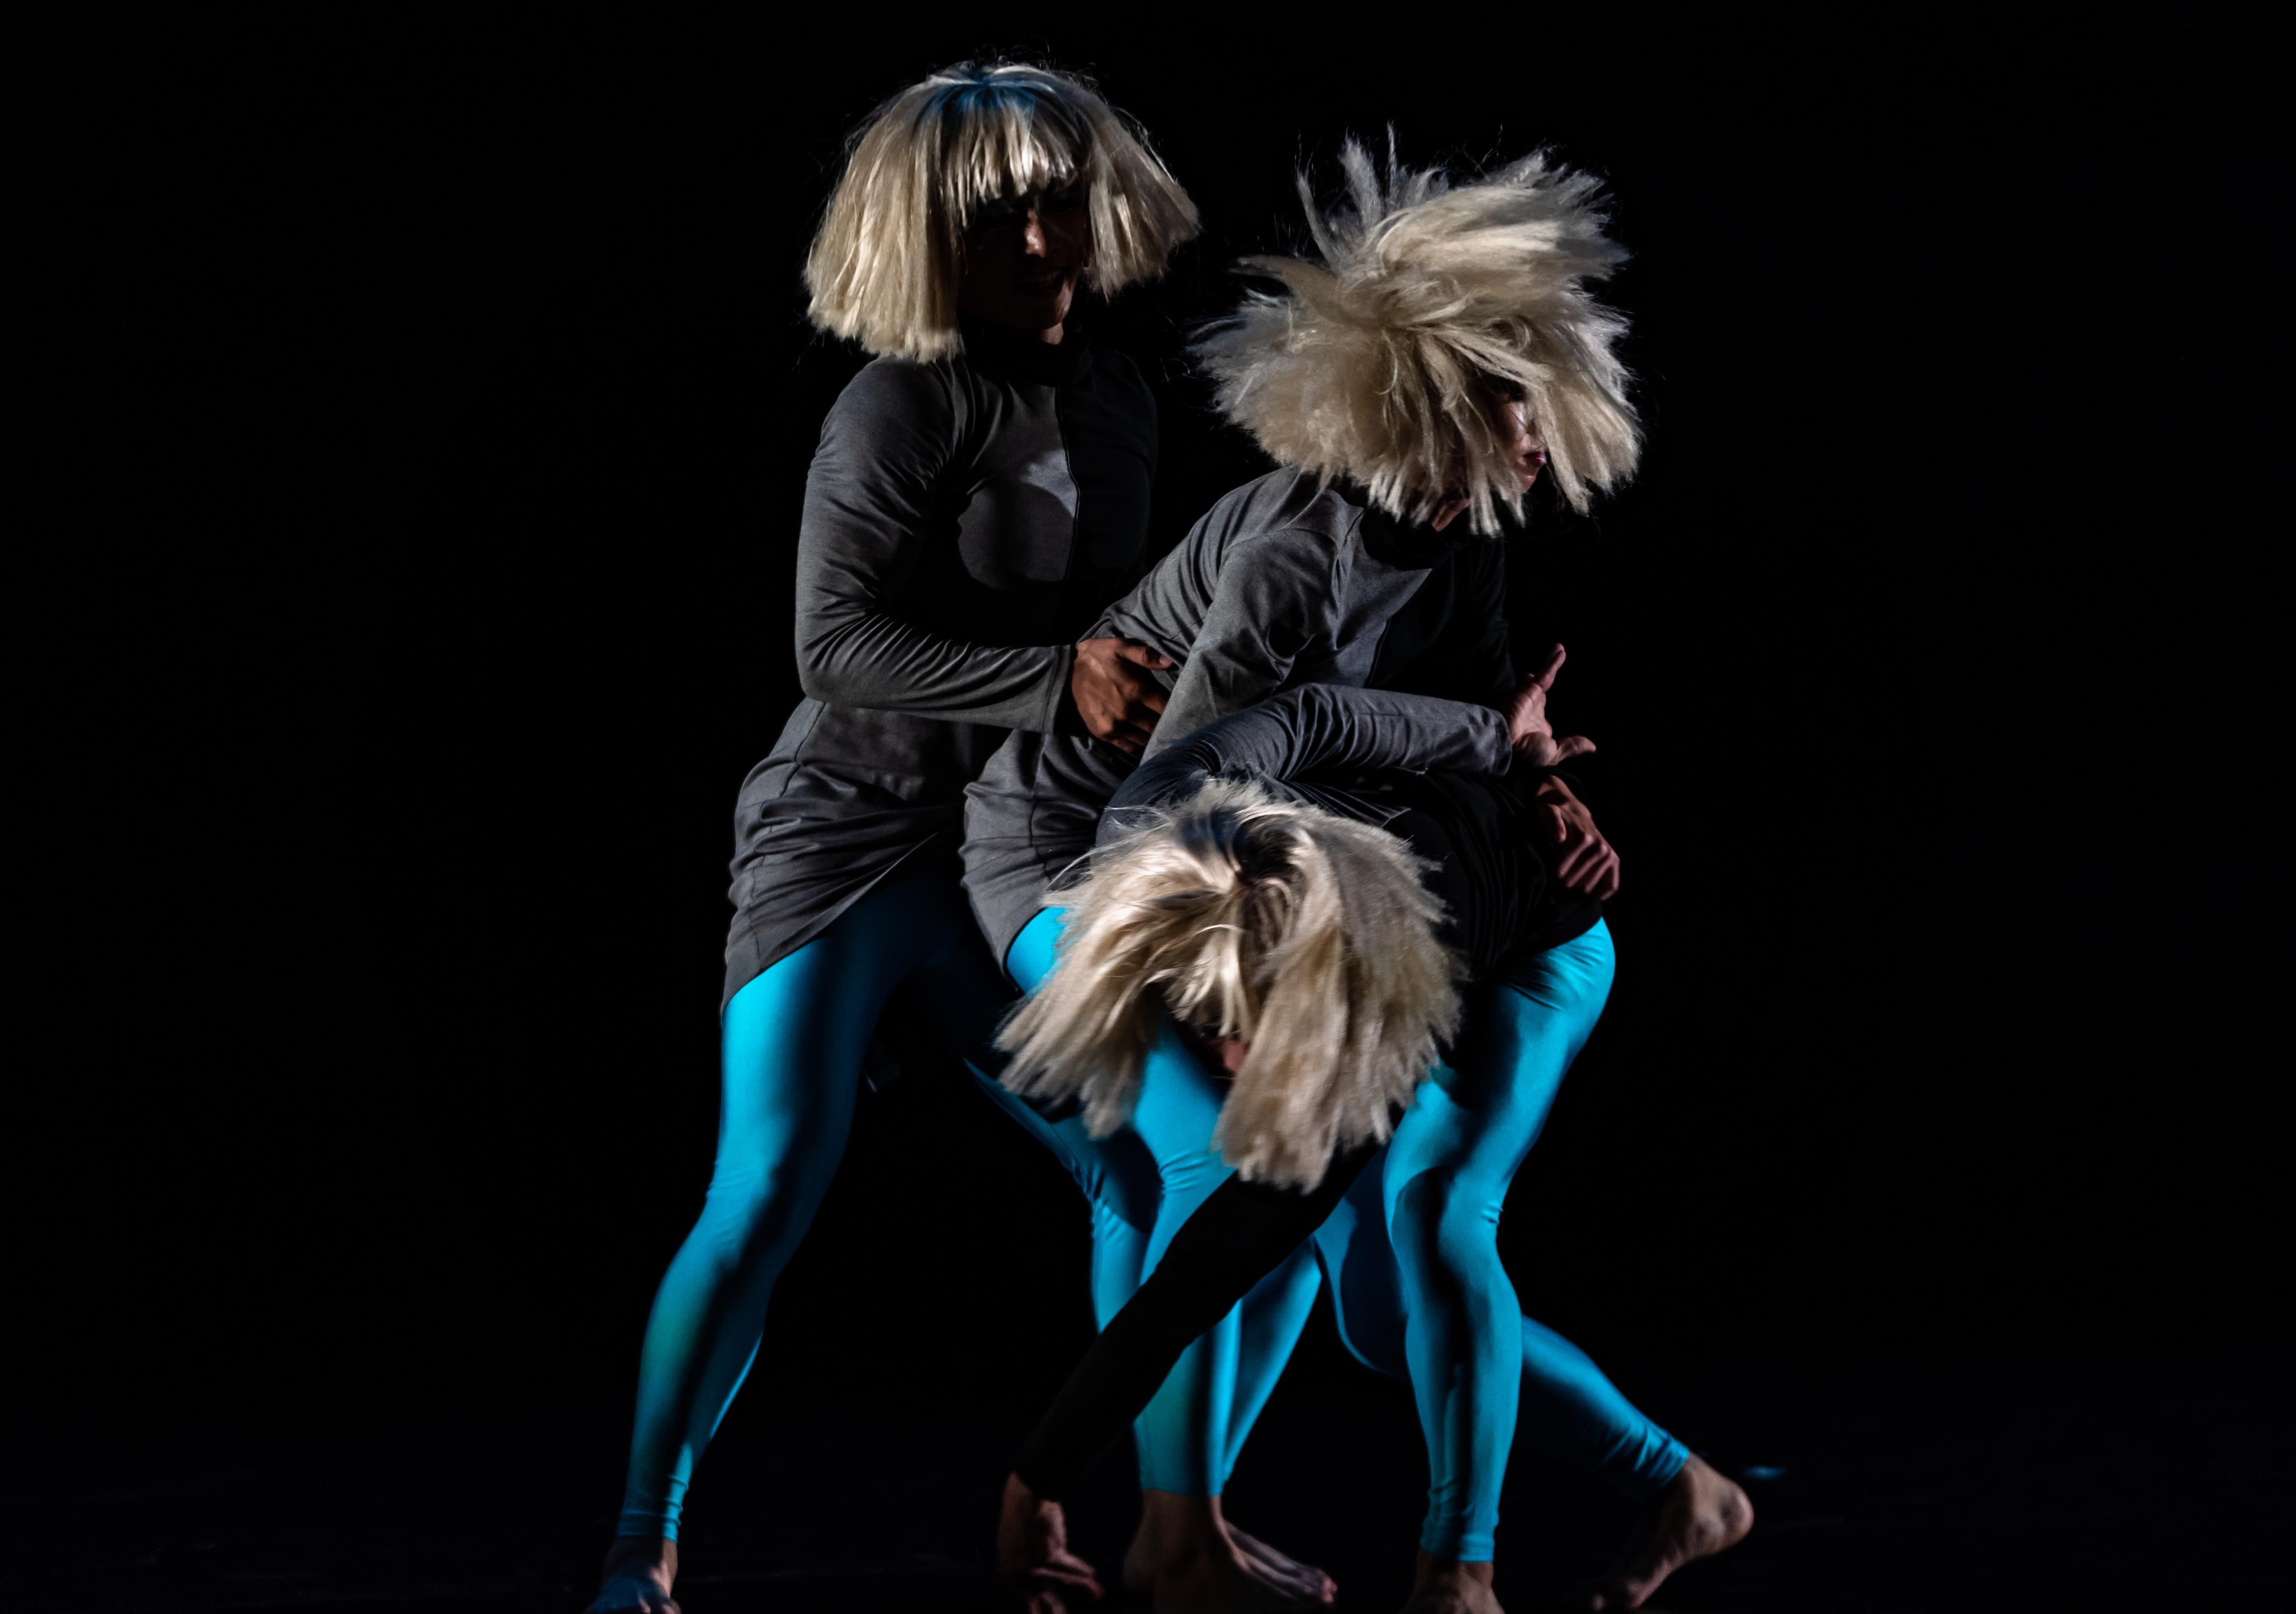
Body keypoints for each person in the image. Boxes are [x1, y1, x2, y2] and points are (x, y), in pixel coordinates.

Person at [959, 138, 1654, 1609]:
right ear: (1437, 402)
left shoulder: (1464, 539)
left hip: (1311, 868)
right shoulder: (1296, 549)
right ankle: (1176, 1536)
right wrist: (1221, 997)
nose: (1540, 434)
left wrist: (1538, 781)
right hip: (1077, 845)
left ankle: (1176, 1526)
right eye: (1513, 400)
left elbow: (1467, 733)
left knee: (1306, 1218)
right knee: (1224, 1163)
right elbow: (1176, 802)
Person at [586, 62, 1199, 1614]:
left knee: (1141, 1174)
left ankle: (1151, 1530)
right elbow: (832, 644)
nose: (1033, 239)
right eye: (989, 217)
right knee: (767, 1187)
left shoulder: (1122, 396)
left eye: (1051, 201)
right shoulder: (899, 401)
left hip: (1006, 851)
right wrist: (1053, 680)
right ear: (931, 236)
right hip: (845, 835)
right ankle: (641, 1550)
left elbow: (1126, 641)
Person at [994, 685, 1755, 1614]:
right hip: (1402, 880)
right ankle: (1687, 1489)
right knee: (1380, 1321)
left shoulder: (1378, 997)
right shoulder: (1153, 816)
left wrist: (1520, 766)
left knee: (1439, 1207)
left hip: (1536, 947)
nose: (1232, 1065)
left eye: (1255, 1032)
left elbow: (1208, 1265)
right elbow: (1311, 714)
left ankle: (1460, 1576)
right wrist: (1035, 1483)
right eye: (1210, 1027)